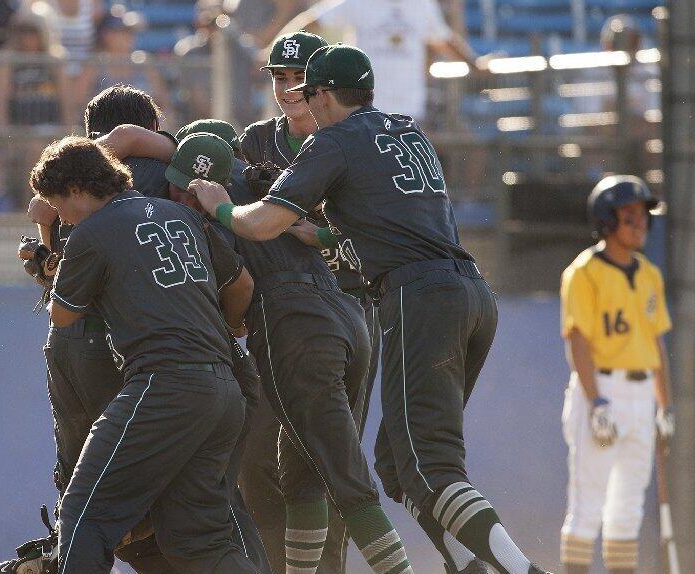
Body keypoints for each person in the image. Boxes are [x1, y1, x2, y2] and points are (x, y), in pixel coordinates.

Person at [189, 44, 552, 574]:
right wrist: (301, 223)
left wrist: (220, 204)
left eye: (306, 88)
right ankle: (465, 566)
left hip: (417, 298)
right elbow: (344, 227)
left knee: (432, 468)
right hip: (471, 292)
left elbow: (259, 224)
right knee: (396, 466)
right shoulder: (405, 129)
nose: (299, 99)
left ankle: (521, 570)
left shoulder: (331, 141)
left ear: (324, 94)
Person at [166, 132, 413, 574]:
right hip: (348, 319)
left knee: (347, 480)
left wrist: (230, 323)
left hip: (295, 329)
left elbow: (239, 286)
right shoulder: (269, 191)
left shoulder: (216, 215)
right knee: (300, 477)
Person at [34, 136, 259, 574]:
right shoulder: (183, 216)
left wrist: (48, 260)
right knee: (198, 541)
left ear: (77, 190)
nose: (60, 216)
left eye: (58, 205)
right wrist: (229, 328)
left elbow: (62, 316)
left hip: (165, 385)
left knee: (83, 515)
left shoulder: (90, 233)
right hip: (225, 389)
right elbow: (242, 285)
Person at [559, 176, 673, 574]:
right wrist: (596, 403)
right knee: (587, 504)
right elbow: (578, 341)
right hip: (601, 390)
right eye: (629, 216)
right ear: (607, 220)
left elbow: (656, 346)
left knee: (626, 510)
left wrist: (665, 407)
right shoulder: (584, 272)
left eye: (643, 216)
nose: (640, 223)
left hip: (642, 396)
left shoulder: (649, 274)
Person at [279, 0, 485, 122]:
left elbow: (444, 41)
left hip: (409, 113)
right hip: (363, 111)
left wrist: (475, 65)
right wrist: (282, 53)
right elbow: (311, 22)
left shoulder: (423, 4)